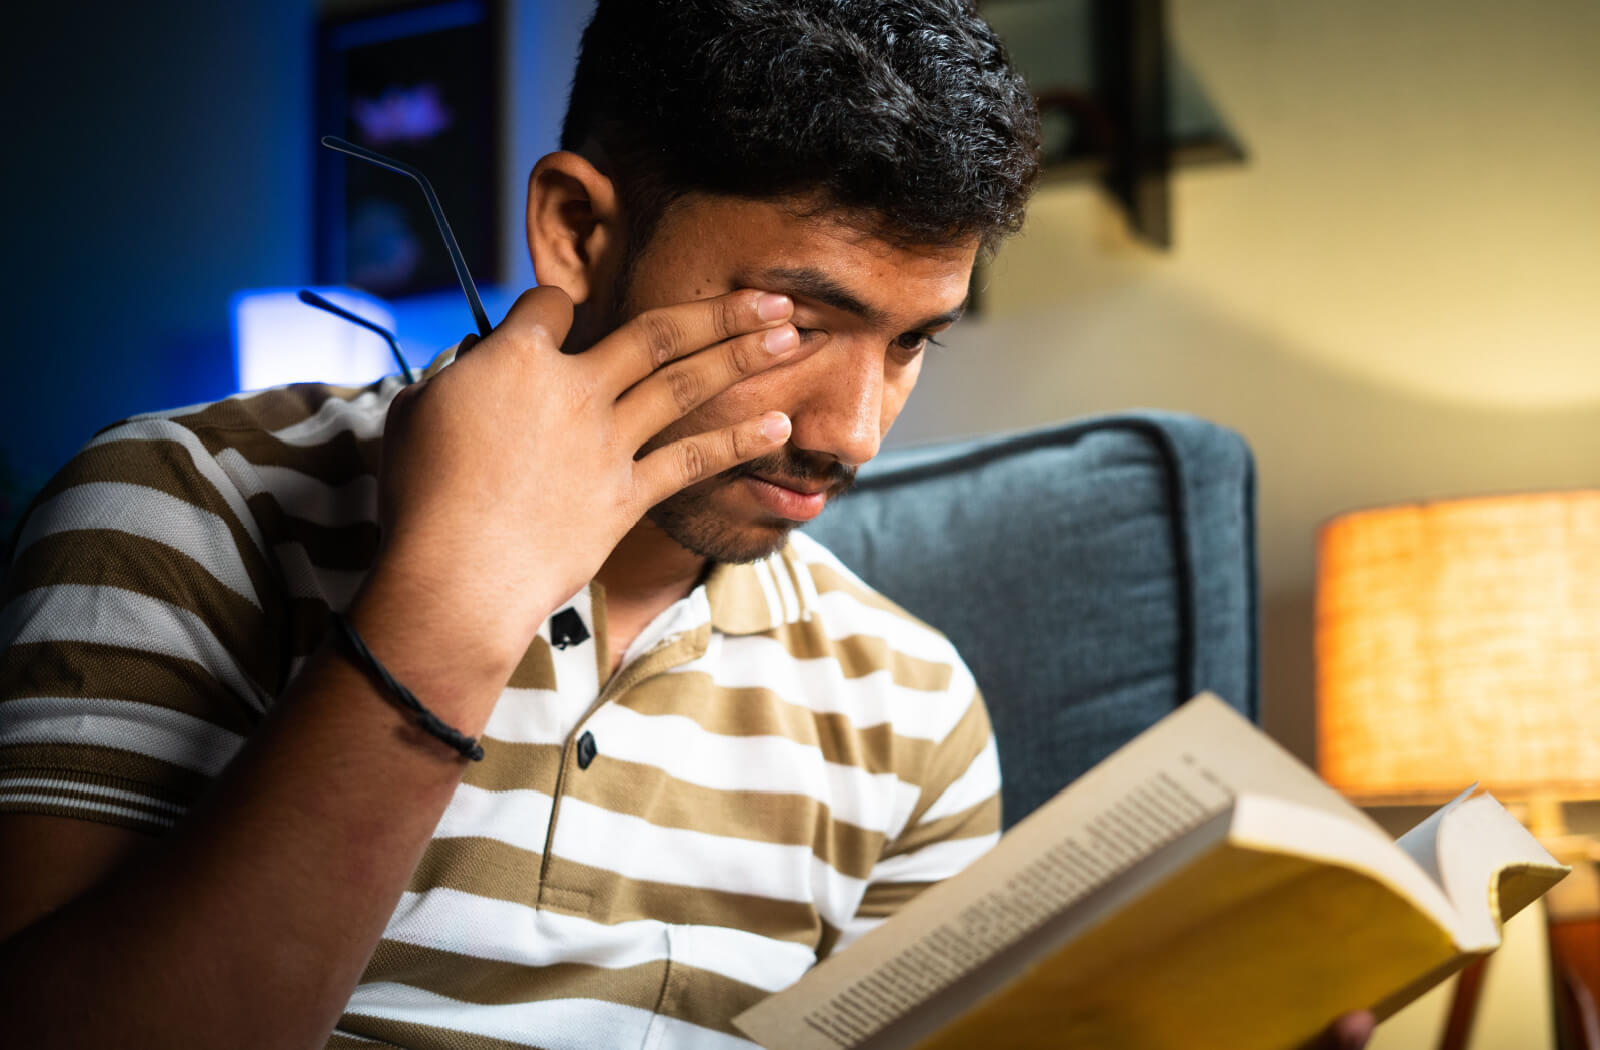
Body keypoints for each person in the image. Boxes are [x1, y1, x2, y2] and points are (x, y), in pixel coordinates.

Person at [0, 1, 1374, 1047]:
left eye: (912, 344)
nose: (853, 429)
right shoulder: (178, 508)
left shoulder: (912, 705)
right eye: (800, 318)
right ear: (579, 234)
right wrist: (450, 606)